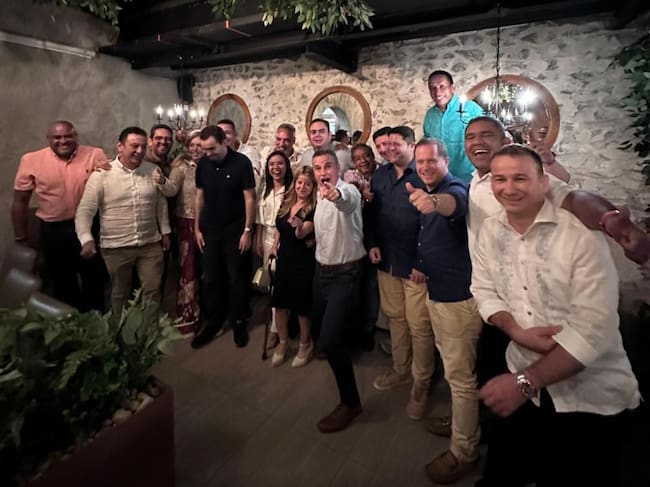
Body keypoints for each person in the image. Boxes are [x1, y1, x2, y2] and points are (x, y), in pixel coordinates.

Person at [471, 144, 640, 486]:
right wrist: (514, 330)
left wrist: (524, 382)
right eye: (500, 179)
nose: (508, 188)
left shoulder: (579, 237)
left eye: (520, 178)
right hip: (522, 375)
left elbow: (594, 330)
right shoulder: (490, 230)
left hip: (588, 394)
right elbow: (483, 288)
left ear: (544, 182)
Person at [407, 138, 482, 484]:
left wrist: (436, 203)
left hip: (457, 300)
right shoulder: (425, 189)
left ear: (446, 160)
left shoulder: (453, 188)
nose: (424, 167)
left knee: (461, 379)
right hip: (438, 294)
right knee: (454, 372)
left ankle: (464, 452)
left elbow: (456, 205)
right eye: (419, 161)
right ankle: (460, 423)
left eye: (430, 161)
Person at [366, 126, 434, 421]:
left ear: (411, 145)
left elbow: (431, 223)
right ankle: (401, 368)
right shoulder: (380, 175)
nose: (390, 149)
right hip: (386, 259)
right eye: (387, 145)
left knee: (419, 325)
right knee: (395, 318)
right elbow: (372, 214)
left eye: (397, 144)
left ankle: (422, 382)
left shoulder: (423, 175)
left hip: (414, 266)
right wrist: (371, 243)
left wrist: (422, 261)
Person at [12, 120, 108, 312]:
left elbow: (110, 188)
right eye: (57, 137)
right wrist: (21, 237)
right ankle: (68, 325)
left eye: (68, 136)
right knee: (61, 282)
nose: (63, 141)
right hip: (53, 231)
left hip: (90, 228)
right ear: (49, 139)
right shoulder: (31, 160)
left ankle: (96, 324)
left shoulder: (95, 155)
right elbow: (20, 201)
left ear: (75, 136)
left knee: (95, 279)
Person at [75, 126, 171, 315]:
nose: (140, 151)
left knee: (153, 291)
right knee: (119, 294)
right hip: (116, 247)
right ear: (120, 146)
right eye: (134, 146)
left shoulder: (153, 170)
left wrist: (165, 231)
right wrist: (86, 239)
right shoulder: (101, 175)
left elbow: (160, 204)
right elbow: (85, 210)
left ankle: (149, 330)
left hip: (150, 244)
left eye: (143, 147)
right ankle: (119, 331)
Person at [311, 149, 366, 433]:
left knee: (330, 341)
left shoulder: (347, 190)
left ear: (338, 168)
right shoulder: (318, 195)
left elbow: (347, 201)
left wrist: (337, 195)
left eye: (328, 166)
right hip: (322, 272)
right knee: (324, 337)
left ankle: (351, 403)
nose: (323, 172)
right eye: (318, 168)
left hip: (345, 275)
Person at [192, 125, 256, 349]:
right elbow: (199, 196)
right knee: (210, 277)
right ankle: (214, 321)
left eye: (212, 149)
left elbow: (250, 198)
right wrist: (197, 228)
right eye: (205, 149)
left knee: (236, 277)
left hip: (235, 230)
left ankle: (239, 320)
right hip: (210, 230)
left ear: (224, 142)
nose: (207, 153)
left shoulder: (241, 163)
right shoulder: (203, 164)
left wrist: (247, 230)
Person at [154, 130, 203, 334]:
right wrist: (161, 181)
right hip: (186, 224)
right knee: (188, 270)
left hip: (208, 224)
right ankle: (187, 315)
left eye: (199, 145)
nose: (195, 149)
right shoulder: (181, 167)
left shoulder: (211, 166)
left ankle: (204, 312)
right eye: (191, 145)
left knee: (205, 270)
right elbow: (171, 190)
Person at [270, 165, 318, 368]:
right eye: (299, 182)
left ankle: (305, 344)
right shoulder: (286, 202)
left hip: (302, 261)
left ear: (313, 187)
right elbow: (279, 228)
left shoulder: (314, 208)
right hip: (284, 258)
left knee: (301, 306)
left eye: (307, 184)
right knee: (279, 303)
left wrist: (299, 226)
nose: (302, 187)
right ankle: (283, 342)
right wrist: (274, 245)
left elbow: (303, 232)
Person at [255, 150, 294, 348]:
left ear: (286, 166)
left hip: (283, 239)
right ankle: (277, 322)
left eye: (280, 164)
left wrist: (276, 244)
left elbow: (285, 219)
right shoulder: (265, 188)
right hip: (266, 237)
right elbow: (260, 217)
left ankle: (277, 330)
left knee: (280, 284)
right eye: (272, 164)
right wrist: (258, 239)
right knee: (271, 283)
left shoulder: (291, 190)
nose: (276, 168)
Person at [344, 143, 379, 351]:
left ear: (372, 156)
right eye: (358, 158)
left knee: (371, 285)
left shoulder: (383, 173)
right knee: (356, 284)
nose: (363, 160)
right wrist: (362, 192)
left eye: (366, 156)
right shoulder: (351, 176)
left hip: (377, 237)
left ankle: (368, 329)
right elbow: (352, 190)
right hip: (356, 237)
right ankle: (354, 327)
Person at [423, 70, 483, 183]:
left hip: (468, 178)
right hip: (440, 179)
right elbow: (427, 143)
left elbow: (491, 131)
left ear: (452, 88)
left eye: (442, 86)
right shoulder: (430, 115)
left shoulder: (471, 109)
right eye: (433, 88)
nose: (437, 92)